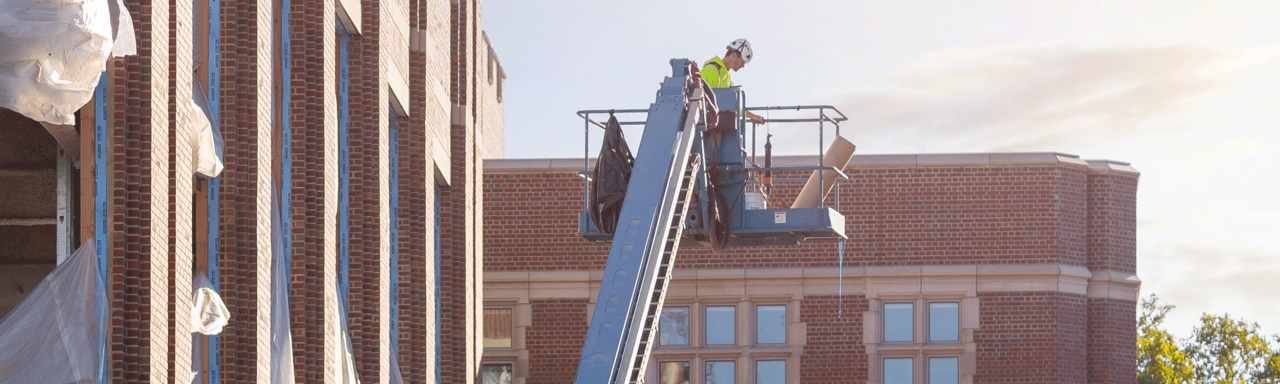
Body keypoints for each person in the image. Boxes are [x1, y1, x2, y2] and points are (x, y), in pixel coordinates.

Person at [702, 38, 765, 124]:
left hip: (718, 124)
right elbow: (703, 102)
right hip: (708, 125)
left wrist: (752, 116)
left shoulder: (727, 77)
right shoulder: (710, 70)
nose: (743, 66)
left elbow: (734, 106)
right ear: (734, 55)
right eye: (742, 62)